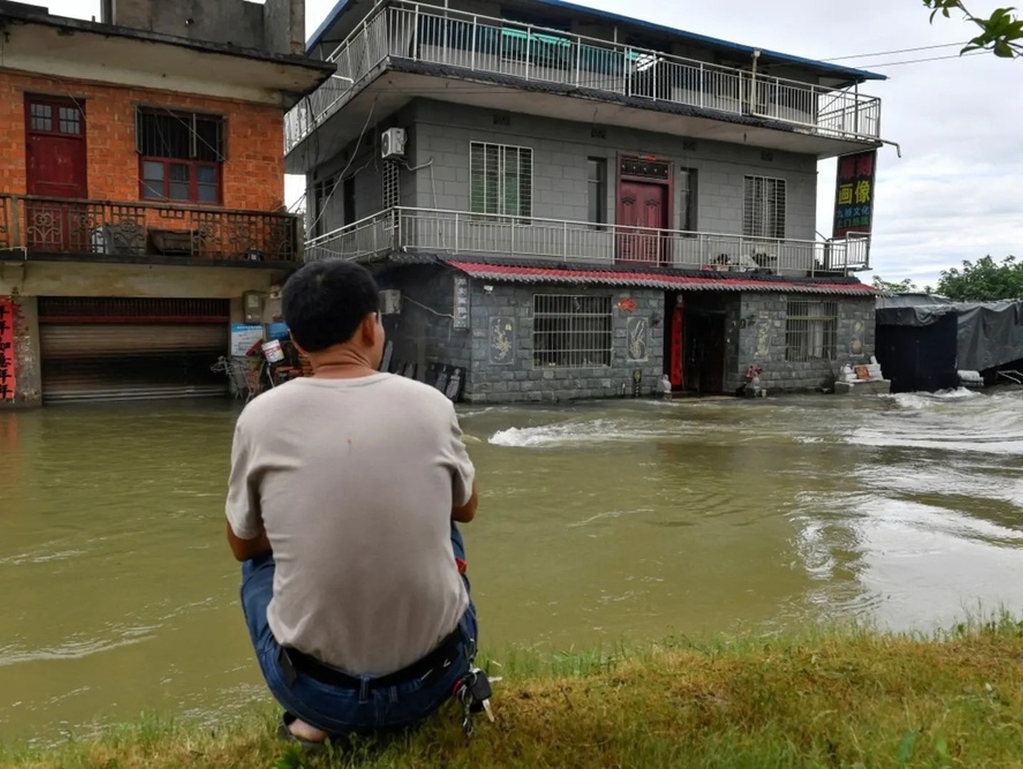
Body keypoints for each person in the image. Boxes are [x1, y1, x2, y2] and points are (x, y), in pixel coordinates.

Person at [224, 260, 480, 748]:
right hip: (433, 679)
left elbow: (241, 544)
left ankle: (313, 721)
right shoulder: (432, 404)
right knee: (446, 523)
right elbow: (466, 508)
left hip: (320, 696)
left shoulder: (259, 418)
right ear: (371, 325)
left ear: (297, 341)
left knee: (259, 566)